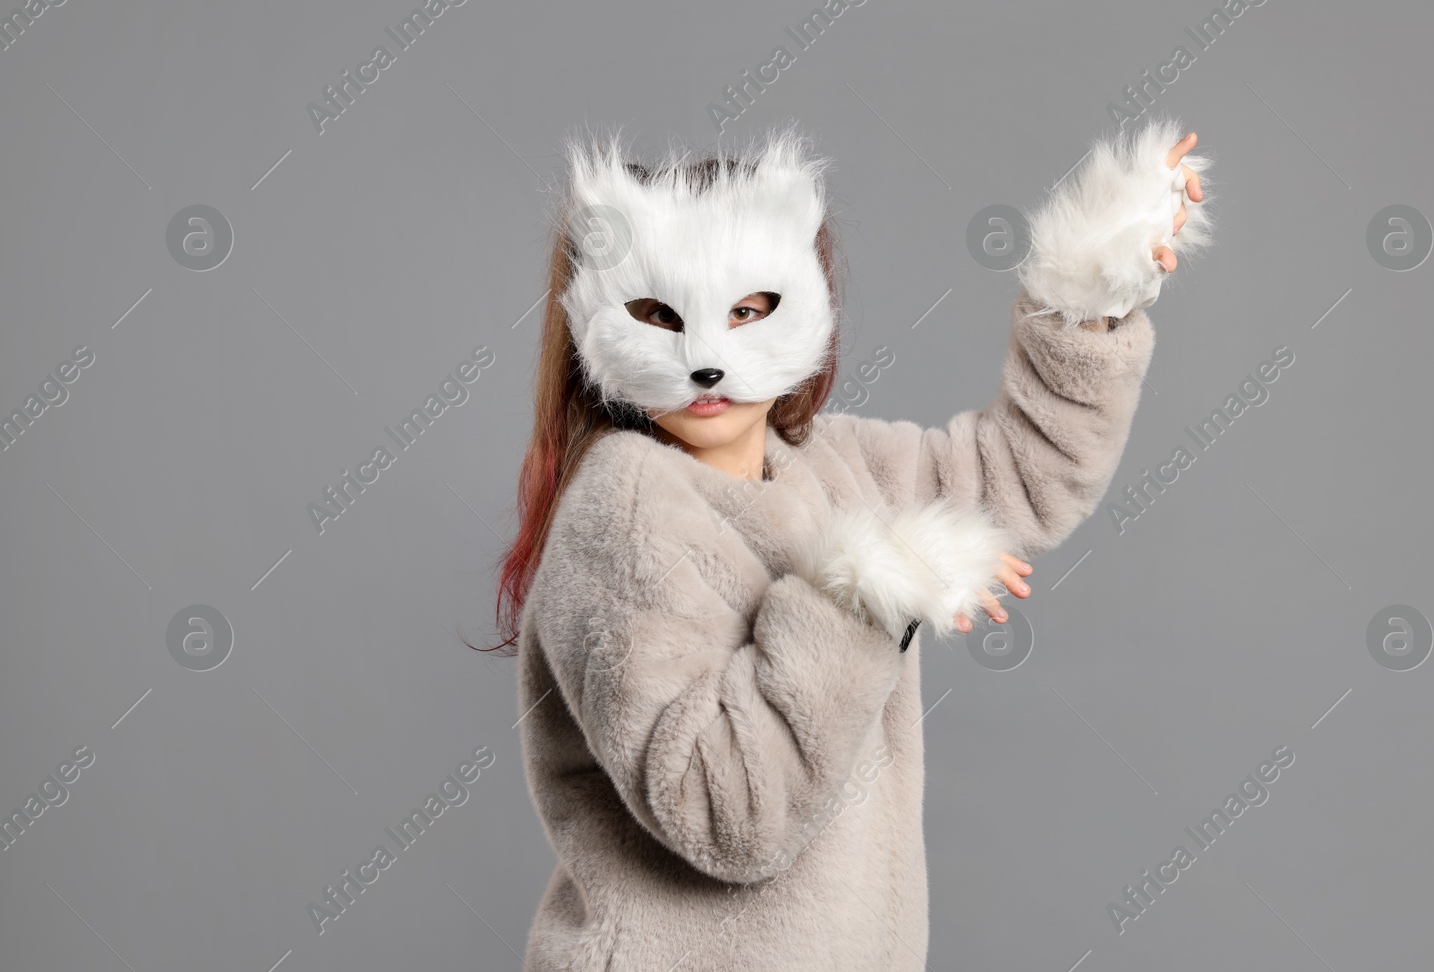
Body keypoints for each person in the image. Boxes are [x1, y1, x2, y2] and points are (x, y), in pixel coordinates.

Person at [491, 117, 1209, 970]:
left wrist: (1093, 289)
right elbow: (728, 812)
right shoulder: (620, 513)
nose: (707, 356)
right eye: (658, 314)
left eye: (748, 310)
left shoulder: (832, 466)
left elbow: (1018, 476)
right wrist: (864, 588)